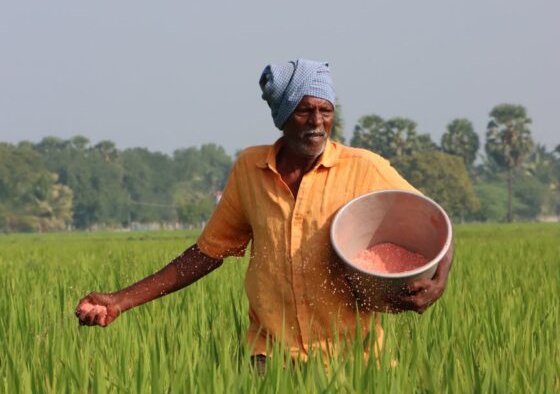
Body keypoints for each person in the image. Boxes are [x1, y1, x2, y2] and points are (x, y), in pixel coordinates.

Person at [75, 59, 454, 363]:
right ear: (284, 115)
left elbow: (435, 222)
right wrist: (121, 300)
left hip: (353, 360)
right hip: (270, 359)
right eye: (305, 111)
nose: (318, 123)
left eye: (326, 110)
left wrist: (438, 283)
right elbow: (207, 253)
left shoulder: (363, 167)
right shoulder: (250, 169)